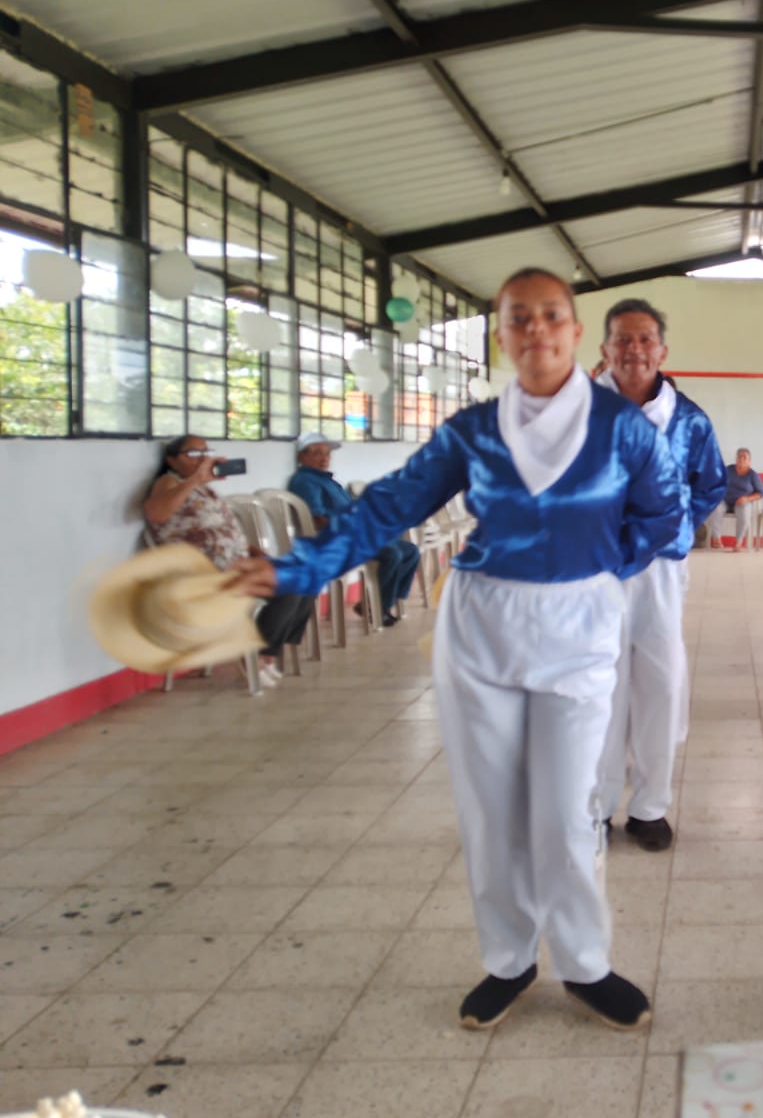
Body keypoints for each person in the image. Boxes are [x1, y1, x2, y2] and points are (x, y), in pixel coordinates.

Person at [230, 267, 685, 1033]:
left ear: (577, 333)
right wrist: (296, 568)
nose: (536, 329)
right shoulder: (472, 430)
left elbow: (667, 515)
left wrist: (601, 565)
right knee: (491, 808)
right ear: (501, 336)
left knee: (567, 811)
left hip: (578, 629)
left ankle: (585, 963)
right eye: (518, 317)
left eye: (551, 315)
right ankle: (508, 960)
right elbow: (390, 505)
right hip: (482, 626)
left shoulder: (624, 428)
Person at [593, 298, 725, 852]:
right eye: (622, 339)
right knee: (597, 686)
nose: (634, 350)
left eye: (645, 339)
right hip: (593, 570)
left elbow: (710, 485)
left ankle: (650, 808)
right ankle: (595, 808)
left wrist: (669, 529)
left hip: (661, 570)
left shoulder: (689, 420)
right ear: (605, 349)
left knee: (660, 682)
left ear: (662, 350)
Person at [142, 434, 314, 686]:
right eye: (193, 454)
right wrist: (195, 479)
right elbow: (156, 514)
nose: (202, 459)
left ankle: (268, 651)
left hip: (236, 563)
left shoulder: (203, 488)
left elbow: (226, 532)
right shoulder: (168, 483)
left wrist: (255, 552)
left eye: (206, 452)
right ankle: (258, 655)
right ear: (172, 460)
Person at [288, 431, 420, 626]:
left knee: (410, 551)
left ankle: (378, 604)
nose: (324, 459)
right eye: (317, 454)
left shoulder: (326, 480)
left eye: (327, 454)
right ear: (302, 457)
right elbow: (317, 519)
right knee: (392, 554)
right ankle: (376, 608)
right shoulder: (305, 482)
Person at [707, 448, 763, 551]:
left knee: (744, 513)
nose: (741, 459)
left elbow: (760, 493)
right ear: (736, 458)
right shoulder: (728, 470)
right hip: (725, 500)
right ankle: (717, 539)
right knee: (715, 508)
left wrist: (747, 498)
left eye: (744, 457)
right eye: (739, 456)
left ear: (749, 461)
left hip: (742, 501)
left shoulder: (752, 475)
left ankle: (738, 542)